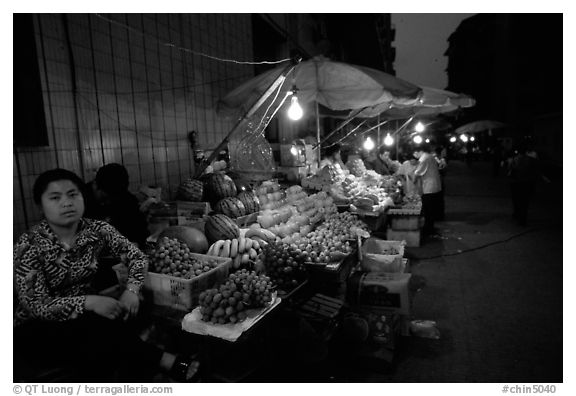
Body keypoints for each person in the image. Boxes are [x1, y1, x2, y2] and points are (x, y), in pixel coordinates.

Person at [13, 169, 199, 382]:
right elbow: (36, 305)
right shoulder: (29, 245)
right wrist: (88, 302)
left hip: (89, 315)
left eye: (73, 194)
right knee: (97, 334)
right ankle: (166, 361)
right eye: (55, 197)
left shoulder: (97, 230)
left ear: (83, 197)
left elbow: (136, 257)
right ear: (40, 205)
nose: (66, 203)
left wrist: (131, 290)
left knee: (126, 315)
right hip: (38, 327)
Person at [84, 163, 149, 248]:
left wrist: (137, 242)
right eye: (104, 198)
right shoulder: (81, 200)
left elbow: (140, 229)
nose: (107, 203)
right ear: (95, 185)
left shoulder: (125, 199)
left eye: (112, 199)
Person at [508, 145, 549, 226]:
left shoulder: (516, 159)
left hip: (517, 183)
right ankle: (522, 219)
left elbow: (511, 170)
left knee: (517, 200)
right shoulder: (532, 160)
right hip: (527, 183)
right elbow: (536, 171)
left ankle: (518, 216)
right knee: (524, 202)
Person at [413, 144, 443, 235]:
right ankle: (430, 227)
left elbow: (418, 173)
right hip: (434, 186)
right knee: (430, 209)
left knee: (428, 209)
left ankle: (428, 229)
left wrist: (412, 181)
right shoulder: (429, 156)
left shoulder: (423, 159)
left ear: (418, 152)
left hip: (429, 187)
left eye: (414, 154)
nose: (414, 156)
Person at [433, 146, 448, 220]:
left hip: (439, 181)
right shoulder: (435, 159)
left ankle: (439, 215)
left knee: (439, 198)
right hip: (437, 181)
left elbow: (444, 171)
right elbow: (443, 170)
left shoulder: (441, 160)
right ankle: (438, 215)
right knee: (438, 198)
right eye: (443, 152)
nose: (445, 153)